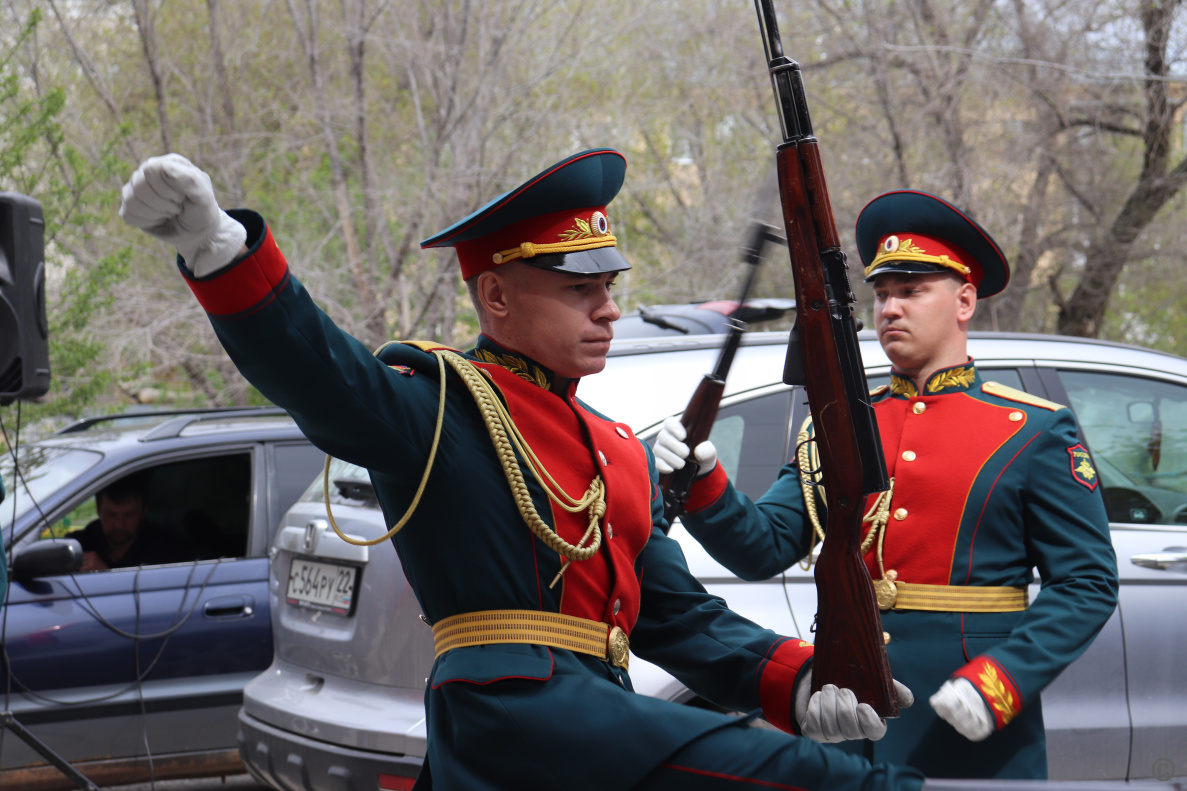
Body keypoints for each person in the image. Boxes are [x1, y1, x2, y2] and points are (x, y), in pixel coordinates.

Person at [119, 151, 925, 791]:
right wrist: (221, 249)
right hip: (510, 711)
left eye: (608, 286)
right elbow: (324, 376)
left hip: (588, 718)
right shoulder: (441, 407)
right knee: (824, 781)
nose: (608, 308)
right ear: (496, 296)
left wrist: (801, 678)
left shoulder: (611, 445)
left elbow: (677, 618)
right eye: (581, 289)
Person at [655, 189, 1120, 780]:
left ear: (965, 301)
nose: (890, 308)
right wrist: (702, 481)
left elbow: (1086, 582)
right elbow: (763, 546)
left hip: (967, 718)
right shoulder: (841, 424)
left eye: (911, 291)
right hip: (849, 716)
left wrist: (1002, 681)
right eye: (881, 294)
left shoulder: (1032, 430)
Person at [68, 474, 186, 570]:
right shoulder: (78, 546)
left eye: (129, 515)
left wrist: (106, 575)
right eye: (111, 515)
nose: (119, 524)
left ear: (143, 512)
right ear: (98, 510)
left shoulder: (165, 549)